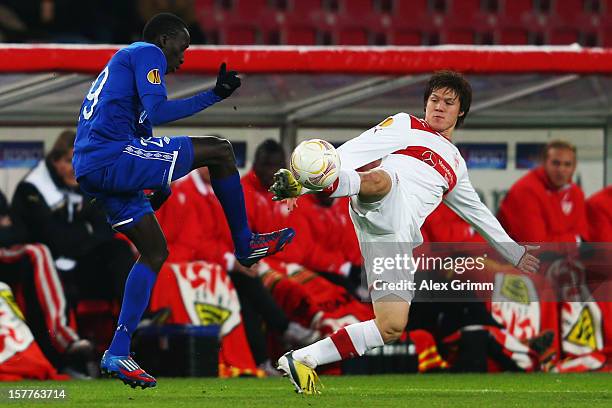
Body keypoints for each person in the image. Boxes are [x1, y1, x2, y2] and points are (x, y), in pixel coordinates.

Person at [270, 70, 540, 394]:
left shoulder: (456, 165)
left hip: (394, 237)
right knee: (382, 179)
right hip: (380, 198)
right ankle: (321, 186)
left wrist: (514, 251)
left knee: (391, 325)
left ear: (461, 111)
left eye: (448, 102)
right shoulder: (405, 124)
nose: (438, 107)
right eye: (434, 100)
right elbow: (355, 150)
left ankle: (302, 358)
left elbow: (479, 213)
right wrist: (302, 184)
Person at [72, 13, 294, 388]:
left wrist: (158, 184)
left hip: (95, 163)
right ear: (165, 38)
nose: (184, 56)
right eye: (184, 45)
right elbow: (160, 112)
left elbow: (145, 127)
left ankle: (119, 350)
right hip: (110, 155)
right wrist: (215, 94)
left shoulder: (126, 80)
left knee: (156, 251)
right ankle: (245, 244)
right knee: (221, 152)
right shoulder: (146, 52)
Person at [12, 130, 135, 306]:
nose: (76, 167)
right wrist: (86, 229)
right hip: (47, 266)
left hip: (78, 261)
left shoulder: (83, 182)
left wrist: (83, 234)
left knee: (120, 248)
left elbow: (106, 227)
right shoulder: (32, 188)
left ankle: (137, 318)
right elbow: (53, 238)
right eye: (69, 161)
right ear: (55, 161)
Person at [497, 140, 589, 243]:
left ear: (574, 167)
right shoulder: (526, 190)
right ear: (544, 163)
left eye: (567, 164)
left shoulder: (576, 193)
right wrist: (574, 240)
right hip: (509, 258)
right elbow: (536, 245)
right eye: (556, 163)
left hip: (562, 258)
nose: (561, 169)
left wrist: (571, 241)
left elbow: (583, 237)